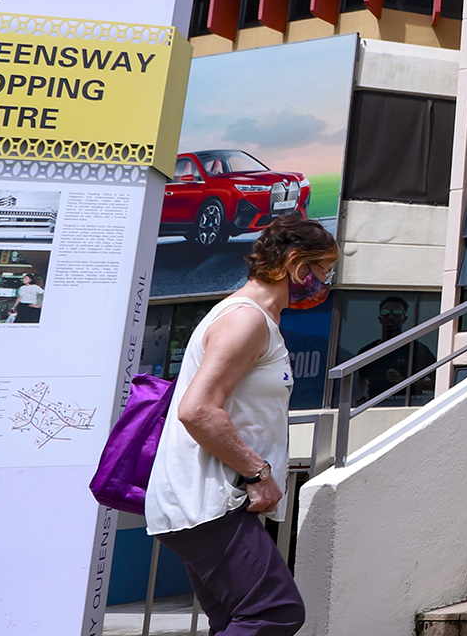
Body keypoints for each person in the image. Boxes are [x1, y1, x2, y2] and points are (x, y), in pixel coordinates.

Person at [146, 213, 336, 636]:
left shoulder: (257, 320)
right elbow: (198, 410)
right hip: (211, 500)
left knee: (235, 620)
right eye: (324, 270)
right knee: (276, 611)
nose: (325, 282)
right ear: (295, 264)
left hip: (212, 502)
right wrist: (258, 473)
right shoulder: (245, 319)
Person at [355, 294, 437, 405]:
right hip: (373, 407)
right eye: (385, 313)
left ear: (404, 319)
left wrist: (405, 381)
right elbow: (361, 378)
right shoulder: (367, 352)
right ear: (380, 319)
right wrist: (362, 395)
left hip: (407, 406)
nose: (390, 317)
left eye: (397, 313)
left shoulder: (418, 350)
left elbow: (439, 381)